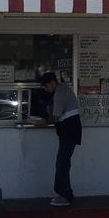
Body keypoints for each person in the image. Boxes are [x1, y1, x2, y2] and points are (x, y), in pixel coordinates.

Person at [39, 71, 81, 206]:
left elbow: (55, 117)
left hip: (68, 132)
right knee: (64, 163)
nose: (46, 89)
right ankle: (66, 193)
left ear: (52, 83)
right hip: (71, 132)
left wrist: (48, 113)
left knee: (61, 164)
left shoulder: (60, 93)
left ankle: (63, 195)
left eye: (46, 86)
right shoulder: (63, 90)